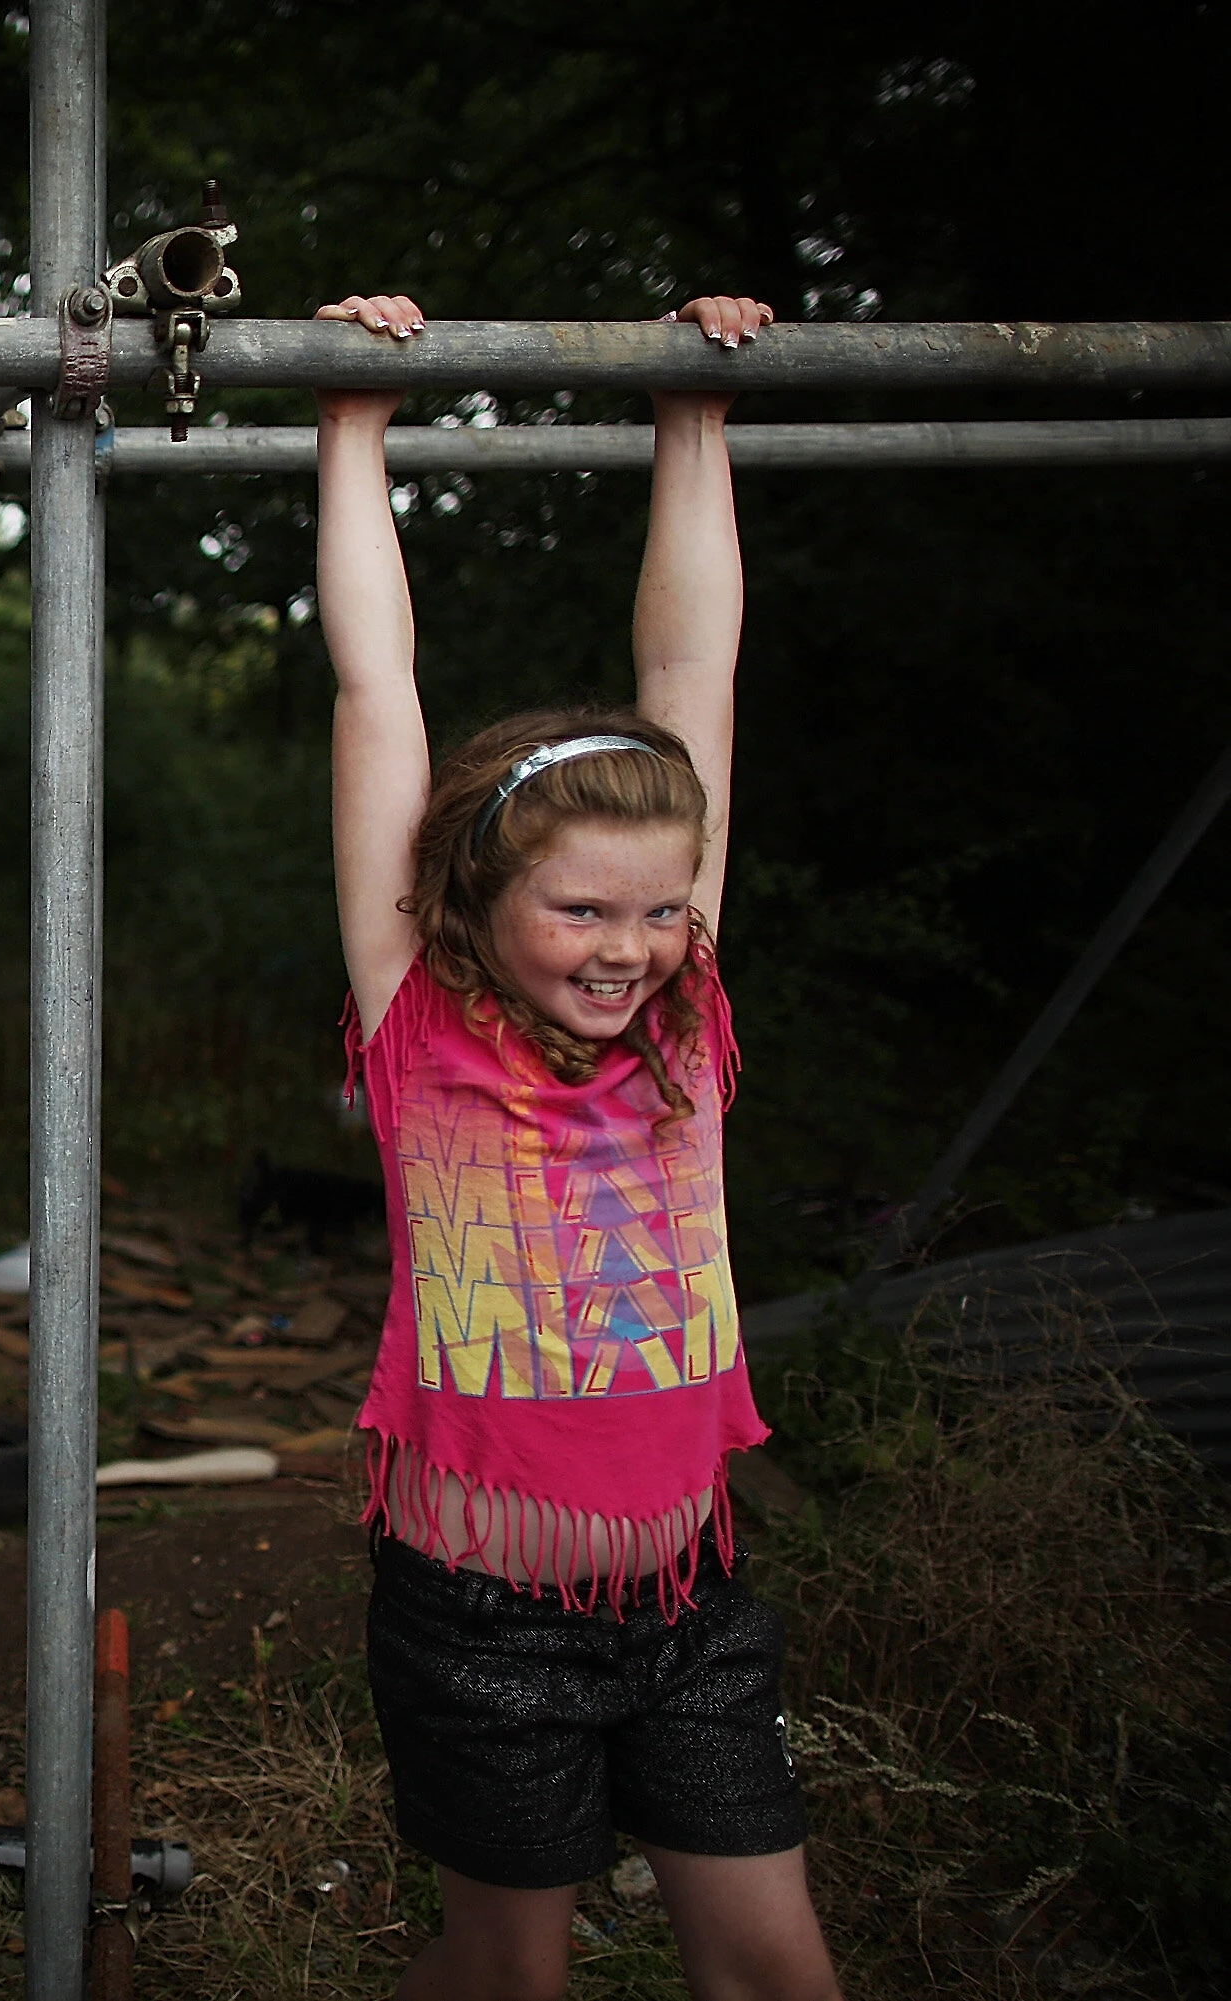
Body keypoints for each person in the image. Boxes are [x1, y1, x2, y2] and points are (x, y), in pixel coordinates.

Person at [317, 288, 842, 2001]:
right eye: (583, 909)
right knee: (510, 1978)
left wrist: (693, 408)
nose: (628, 943)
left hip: (690, 1600)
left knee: (775, 1970)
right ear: (480, 895)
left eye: (662, 908)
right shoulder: (423, 1026)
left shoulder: (687, 1021)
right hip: (481, 1622)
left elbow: (699, 669)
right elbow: (375, 680)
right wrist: (351, 427)